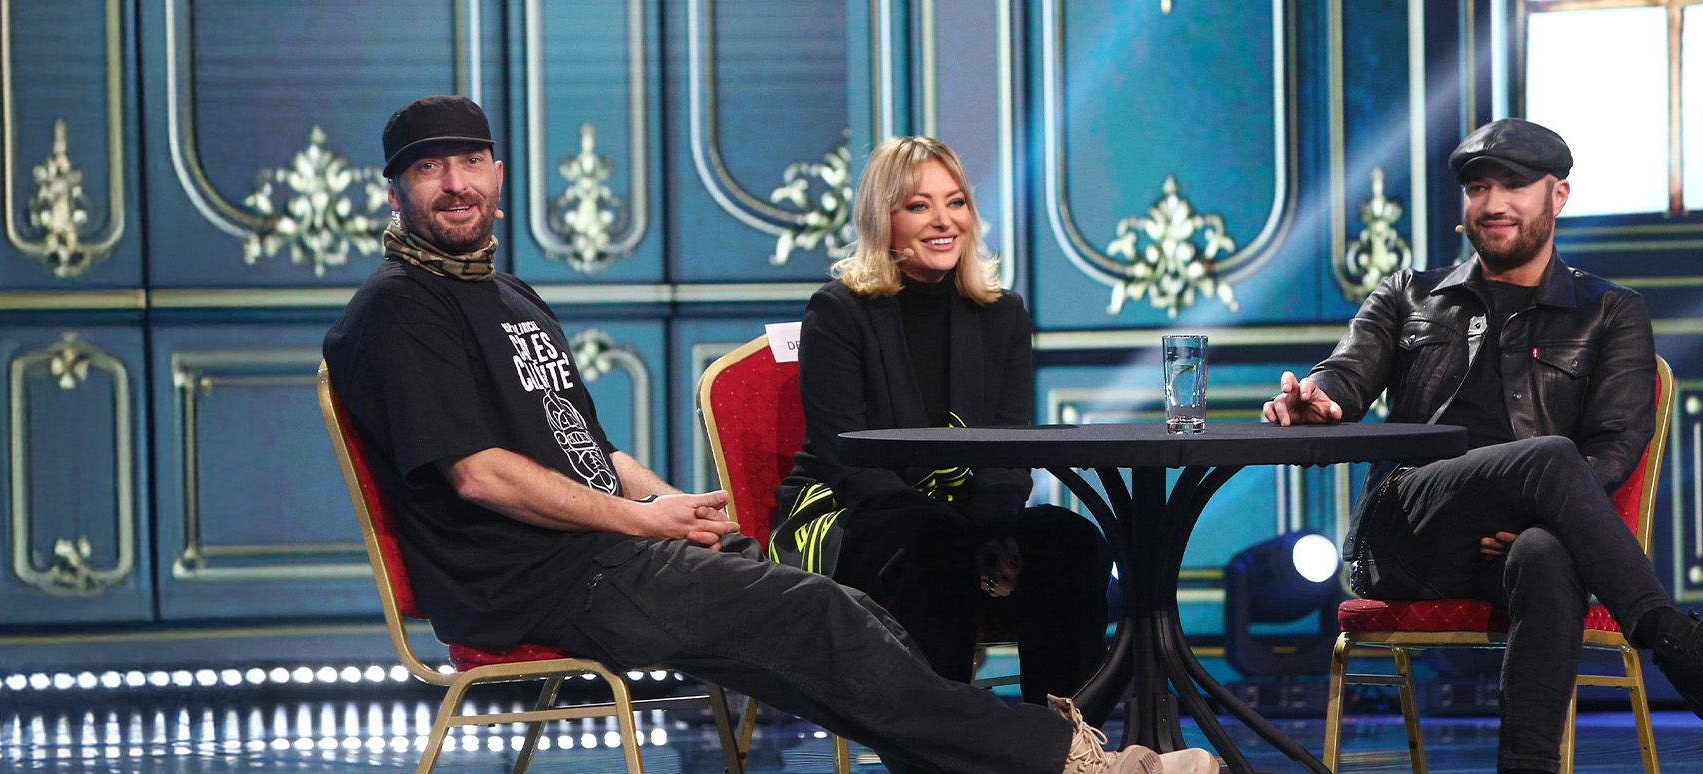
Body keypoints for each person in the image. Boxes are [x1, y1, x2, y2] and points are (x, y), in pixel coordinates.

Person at [323, 95, 1218, 774]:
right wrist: (640, 522)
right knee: (821, 614)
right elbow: (479, 474)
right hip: (536, 580)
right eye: (431, 168)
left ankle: (1034, 763)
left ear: (498, 172)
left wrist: (672, 504)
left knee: (846, 621)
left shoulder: (511, 295)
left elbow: (593, 455)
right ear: (396, 188)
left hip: (604, 554)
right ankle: (1081, 762)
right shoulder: (397, 310)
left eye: (471, 161)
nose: (457, 183)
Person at [1262, 117, 1703, 774]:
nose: (1492, 203)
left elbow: (1617, 445)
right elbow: (1344, 375)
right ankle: (1677, 642)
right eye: (1478, 188)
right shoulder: (1409, 294)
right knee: (1551, 457)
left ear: (1558, 194)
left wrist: (1542, 519)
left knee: (1548, 552)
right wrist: (1318, 398)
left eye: (1513, 185)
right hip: (1410, 529)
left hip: (1519, 542)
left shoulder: (1610, 312)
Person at [776, 135, 1113, 705]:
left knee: (1071, 541)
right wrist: (967, 536)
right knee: (934, 545)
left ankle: (1063, 733)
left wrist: (994, 530)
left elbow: (1007, 453)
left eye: (955, 202)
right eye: (919, 205)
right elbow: (850, 464)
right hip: (852, 513)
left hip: (967, 513)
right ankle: (939, 742)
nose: (944, 221)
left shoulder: (1003, 314)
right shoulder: (838, 312)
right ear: (883, 218)